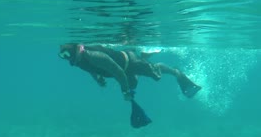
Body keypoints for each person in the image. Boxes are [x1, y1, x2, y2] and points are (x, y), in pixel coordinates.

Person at [58, 43, 202, 101]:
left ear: (76, 51)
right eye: (65, 58)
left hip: (130, 62)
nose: (69, 61)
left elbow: (118, 72)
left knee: (156, 75)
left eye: (69, 56)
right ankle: (145, 57)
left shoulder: (94, 56)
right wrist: (97, 78)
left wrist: (125, 92)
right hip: (125, 68)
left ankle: (175, 71)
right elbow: (89, 69)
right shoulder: (78, 61)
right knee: (133, 84)